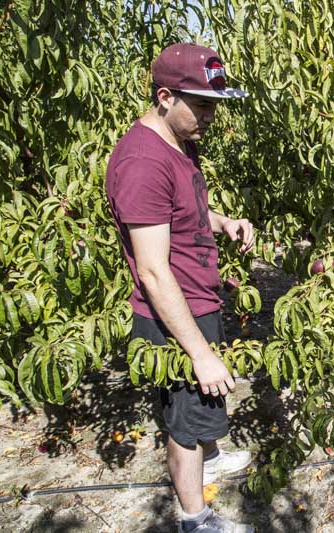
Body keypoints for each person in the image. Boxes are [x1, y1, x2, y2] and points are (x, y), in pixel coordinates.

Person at [106, 43, 255, 533]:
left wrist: (222, 221)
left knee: (199, 403)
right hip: (172, 313)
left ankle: (210, 458)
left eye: (215, 103)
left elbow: (184, 210)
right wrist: (198, 351)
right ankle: (197, 519)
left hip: (198, 296)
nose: (212, 115)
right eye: (203, 104)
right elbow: (151, 270)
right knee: (185, 422)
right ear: (166, 97)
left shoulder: (179, 143)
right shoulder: (142, 163)